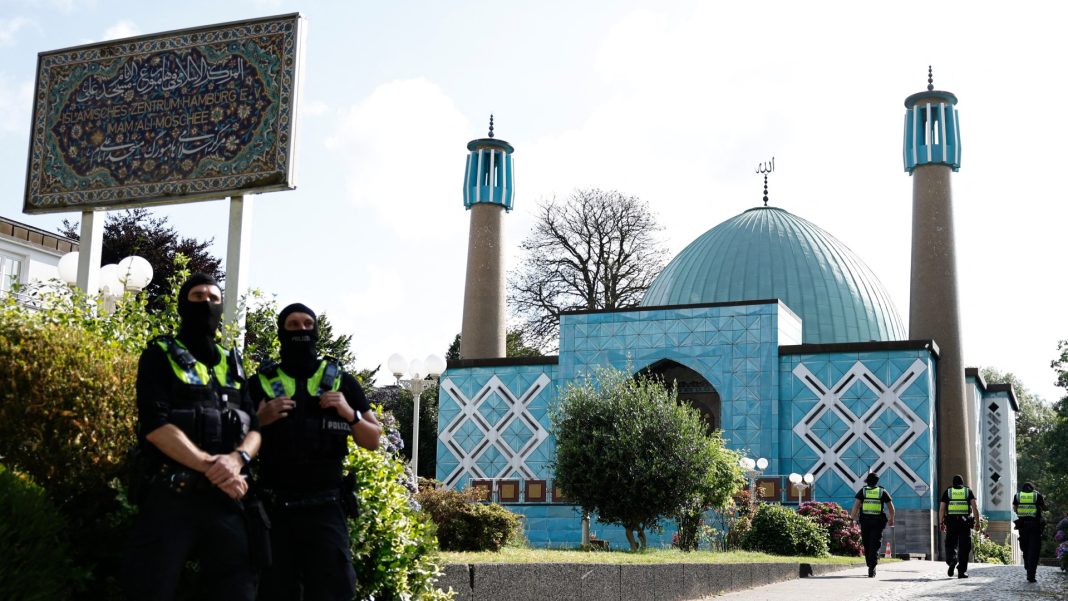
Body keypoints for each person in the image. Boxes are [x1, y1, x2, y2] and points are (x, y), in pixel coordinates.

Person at [123, 273, 262, 601]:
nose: (207, 303)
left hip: (227, 500)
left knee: (238, 591)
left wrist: (236, 459)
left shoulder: (233, 363)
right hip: (173, 498)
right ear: (184, 304)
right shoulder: (160, 353)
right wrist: (213, 465)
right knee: (150, 589)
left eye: (214, 298)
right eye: (197, 296)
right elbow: (155, 426)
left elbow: (255, 428)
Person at [254, 303, 381, 601]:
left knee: (334, 591)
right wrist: (261, 419)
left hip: (326, 508)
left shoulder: (342, 381)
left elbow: (373, 439)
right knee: (274, 591)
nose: (301, 331)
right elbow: (236, 443)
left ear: (316, 330)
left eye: (307, 325)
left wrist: (350, 413)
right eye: (293, 325)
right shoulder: (260, 383)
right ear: (281, 332)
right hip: (275, 510)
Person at [850, 472, 895, 577]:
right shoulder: (882, 492)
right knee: (875, 544)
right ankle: (872, 566)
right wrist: (891, 518)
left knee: (867, 543)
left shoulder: (863, 491)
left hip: (865, 522)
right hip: (878, 522)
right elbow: (891, 507)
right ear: (877, 482)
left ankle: (870, 565)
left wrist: (851, 519)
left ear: (867, 481)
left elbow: (855, 506)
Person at [938, 474, 981, 578]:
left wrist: (941, 522)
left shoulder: (948, 492)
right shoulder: (967, 491)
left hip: (951, 522)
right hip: (964, 522)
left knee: (950, 544)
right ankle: (961, 571)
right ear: (962, 483)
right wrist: (977, 522)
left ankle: (952, 561)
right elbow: (974, 507)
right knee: (964, 547)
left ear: (953, 483)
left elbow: (942, 509)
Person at [1013, 481, 1047, 583]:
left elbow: (1015, 509)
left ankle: (1027, 563)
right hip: (1035, 526)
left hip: (1022, 526)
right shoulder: (1037, 496)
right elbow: (1044, 508)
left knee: (1025, 547)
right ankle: (1031, 575)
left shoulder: (1018, 496)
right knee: (1034, 550)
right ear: (1032, 488)